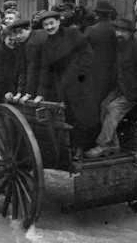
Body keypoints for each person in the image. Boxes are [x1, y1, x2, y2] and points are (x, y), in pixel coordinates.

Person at [86, 18, 137, 158]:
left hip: (132, 92)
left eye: (123, 31)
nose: (119, 34)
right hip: (120, 89)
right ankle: (113, 144)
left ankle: (103, 144)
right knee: (103, 105)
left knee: (113, 109)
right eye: (117, 30)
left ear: (130, 33)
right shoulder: (119, 48)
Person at [35, 10, 99, 153]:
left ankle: (88, 147)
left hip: (82, 82)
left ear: (58, 22)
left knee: (86, 115)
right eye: (46, 25)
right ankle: (76, 149)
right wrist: (41, 92)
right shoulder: (47, 44)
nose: (49, 27)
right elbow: (45, 70)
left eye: (52, 23)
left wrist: (79, 74)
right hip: (63, 86)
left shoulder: (73, 34)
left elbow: (87, 54)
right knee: (70, 117)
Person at [85, 0, 118, 106]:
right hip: (114, 71)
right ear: (109, 14)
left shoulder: (90, 30)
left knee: (95, 99)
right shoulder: (116, 30)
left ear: (97, 14)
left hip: (94, 71)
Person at [8, 15, 47, 102]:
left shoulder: (33, 43)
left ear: (28, 29)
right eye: (15, 33)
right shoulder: (22, 43)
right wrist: (20, 92)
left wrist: (31, 93)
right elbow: (23, 69)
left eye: (20, 32)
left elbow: (34, 69)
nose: (18, 36)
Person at [0, 26, 23, 100]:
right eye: (10, 40)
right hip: (6, 89)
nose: (13, 42)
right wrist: (6, 91)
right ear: (4, 38)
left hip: (18, 87)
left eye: (15, 40)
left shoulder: (19, 49)